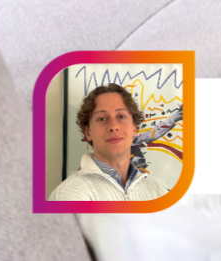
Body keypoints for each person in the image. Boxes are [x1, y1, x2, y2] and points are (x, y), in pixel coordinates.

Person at [48, 84, 176, 202]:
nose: (113, 126)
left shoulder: (159, 193)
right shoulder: (68, 195)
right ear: (88, 132)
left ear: (134, 128)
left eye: (121, 116)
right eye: (102, 118)